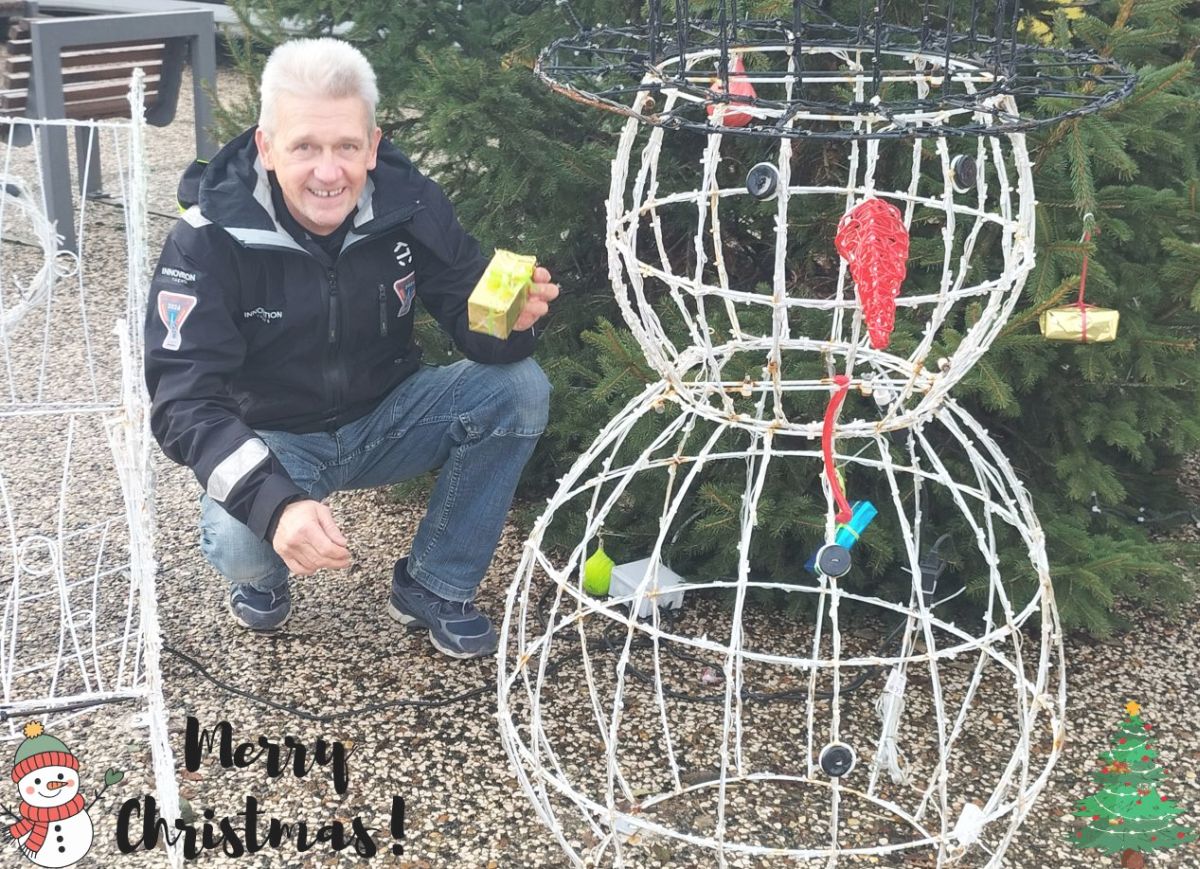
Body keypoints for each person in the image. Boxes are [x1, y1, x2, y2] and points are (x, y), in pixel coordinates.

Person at [144, 38, 557, 659]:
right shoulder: (205, 240)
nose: (328, 172)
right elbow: (184, 402)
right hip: (274, 437)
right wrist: (276, 506)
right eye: (305, 146)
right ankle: (262, 575)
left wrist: (512, 322)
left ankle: (433, 584)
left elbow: (471, 318)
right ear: (266, 145)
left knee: (520, 388)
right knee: (241, 539)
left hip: (387, 414)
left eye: (346, 147)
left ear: (373, 144)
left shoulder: (409, 203)